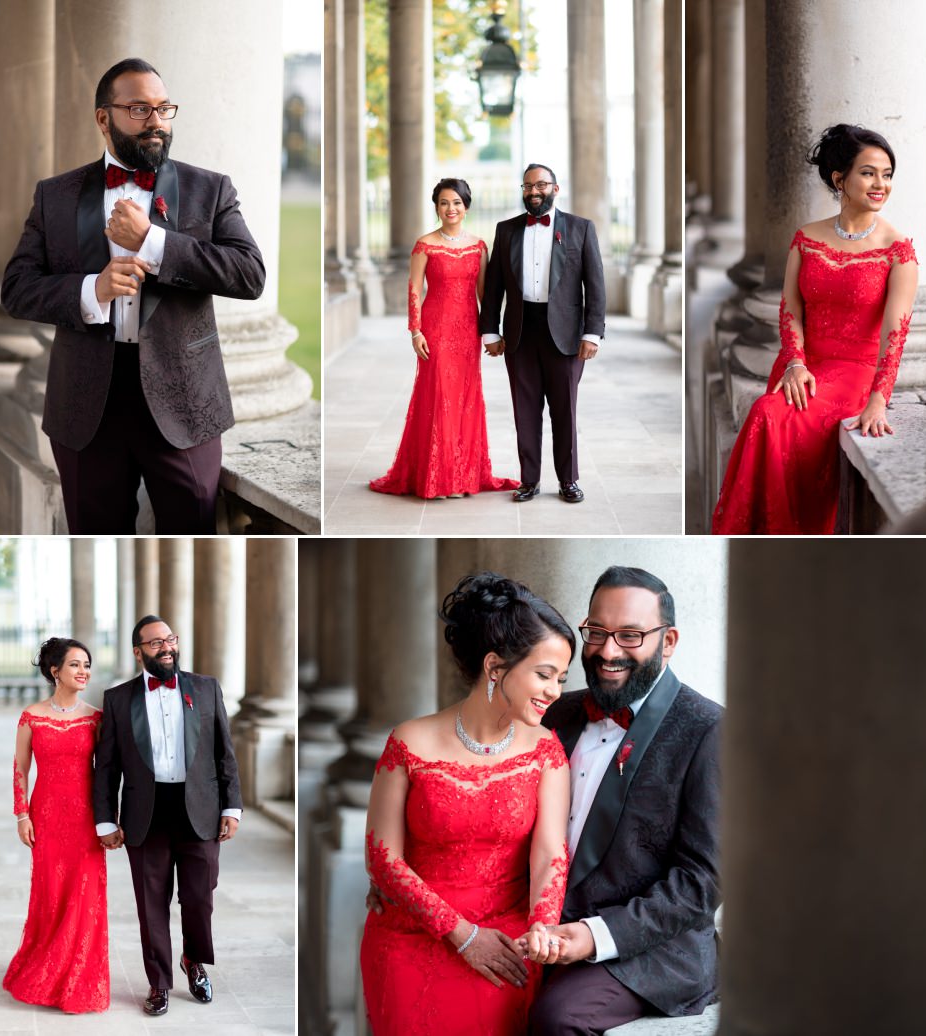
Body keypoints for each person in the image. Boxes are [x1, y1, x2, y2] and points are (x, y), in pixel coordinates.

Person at [1, 57, 265, 534]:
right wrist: (91, 289)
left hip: (184, 402)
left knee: (193, 534)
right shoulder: (54, 196)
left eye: (164, 109)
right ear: (104, 118)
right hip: (85, 406)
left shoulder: (210, 189)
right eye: (139, 110)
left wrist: (154, 241)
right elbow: (17, 290)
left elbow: (249, 275)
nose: (157, 122)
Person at [360, 572, 574, 1036]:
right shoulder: (408, 741)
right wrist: (461, 934)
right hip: (410, 937)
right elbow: (381, 857)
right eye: (544, 674)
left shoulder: (546, 750)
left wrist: (542, 927)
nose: (555, 691)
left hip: (506, 948)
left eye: (561, 678)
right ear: (496, 666)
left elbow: (550, 853)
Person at [525, 566, 723, 1035]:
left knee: (558, 1019)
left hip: (649, 949)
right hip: (538, 923)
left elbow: (702, 881)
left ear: (668, 641)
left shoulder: (710, 730)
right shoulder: (557, 711)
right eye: (597, 632)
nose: (608, 651)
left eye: (630, 635)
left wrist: (595, 936)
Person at [712, 123, 919, 534]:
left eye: (887, 174)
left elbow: (896, 334)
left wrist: (878, 400)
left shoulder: (899, 249)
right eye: (869, 172)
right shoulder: (807, 238)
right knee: (766, 412)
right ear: (840, 179)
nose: (881, 184)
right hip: (803, 366)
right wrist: (793, 362)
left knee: (776, 416)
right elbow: (790, 309)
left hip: (855, 374)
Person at [92, 615, 242, 1016]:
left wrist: (232, 806)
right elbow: (106, 766)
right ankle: (158, 983)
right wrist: (105, 820)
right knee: (151, 903)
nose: (167, 647)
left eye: (170, 639)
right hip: (146, 812)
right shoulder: (118, 699)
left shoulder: (206, 689)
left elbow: (223, 752)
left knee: (199, 898)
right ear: (138, 650)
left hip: (201, 810)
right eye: (156, 643)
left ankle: (193, 960)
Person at [370, 178, 519, 498]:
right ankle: (437, 476)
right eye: (444, 203)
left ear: (466, 207)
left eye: (456, 203)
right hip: (435, 330)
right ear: (436, 207)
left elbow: (484, 294)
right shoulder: (425, 244)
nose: (450, 209)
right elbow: (413, 288)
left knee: (465, 401)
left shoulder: (479, 246)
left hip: (467, 332)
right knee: (437, 398)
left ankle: (461, 475)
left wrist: (491, 332)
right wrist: (415, 331)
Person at [479, 163, 606, 505]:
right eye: (527, 187)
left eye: (540, 185)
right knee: (525, 411)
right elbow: (493, 287)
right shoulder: (506, 230)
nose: (533, 192)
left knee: (564, 410)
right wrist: (489, 329)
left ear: (555, 188)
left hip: (565, 335)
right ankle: (529, 481)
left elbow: (595, 285)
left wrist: (592, 333)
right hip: (519, 332)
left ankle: (568, 480)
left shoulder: (580, 229)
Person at [4, 637, 112, 1013]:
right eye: (75, 665)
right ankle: (47, 971)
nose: (83, 671)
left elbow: (108, 773)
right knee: (51, 896)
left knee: (85, 898)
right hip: (46, 818)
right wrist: (22, 815)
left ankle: (78, 977)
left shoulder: (97, 717)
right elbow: (20, 768)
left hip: (85, 822)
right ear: (55, 671)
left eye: (86, 664)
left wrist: (109, 821)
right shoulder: (31, 716)